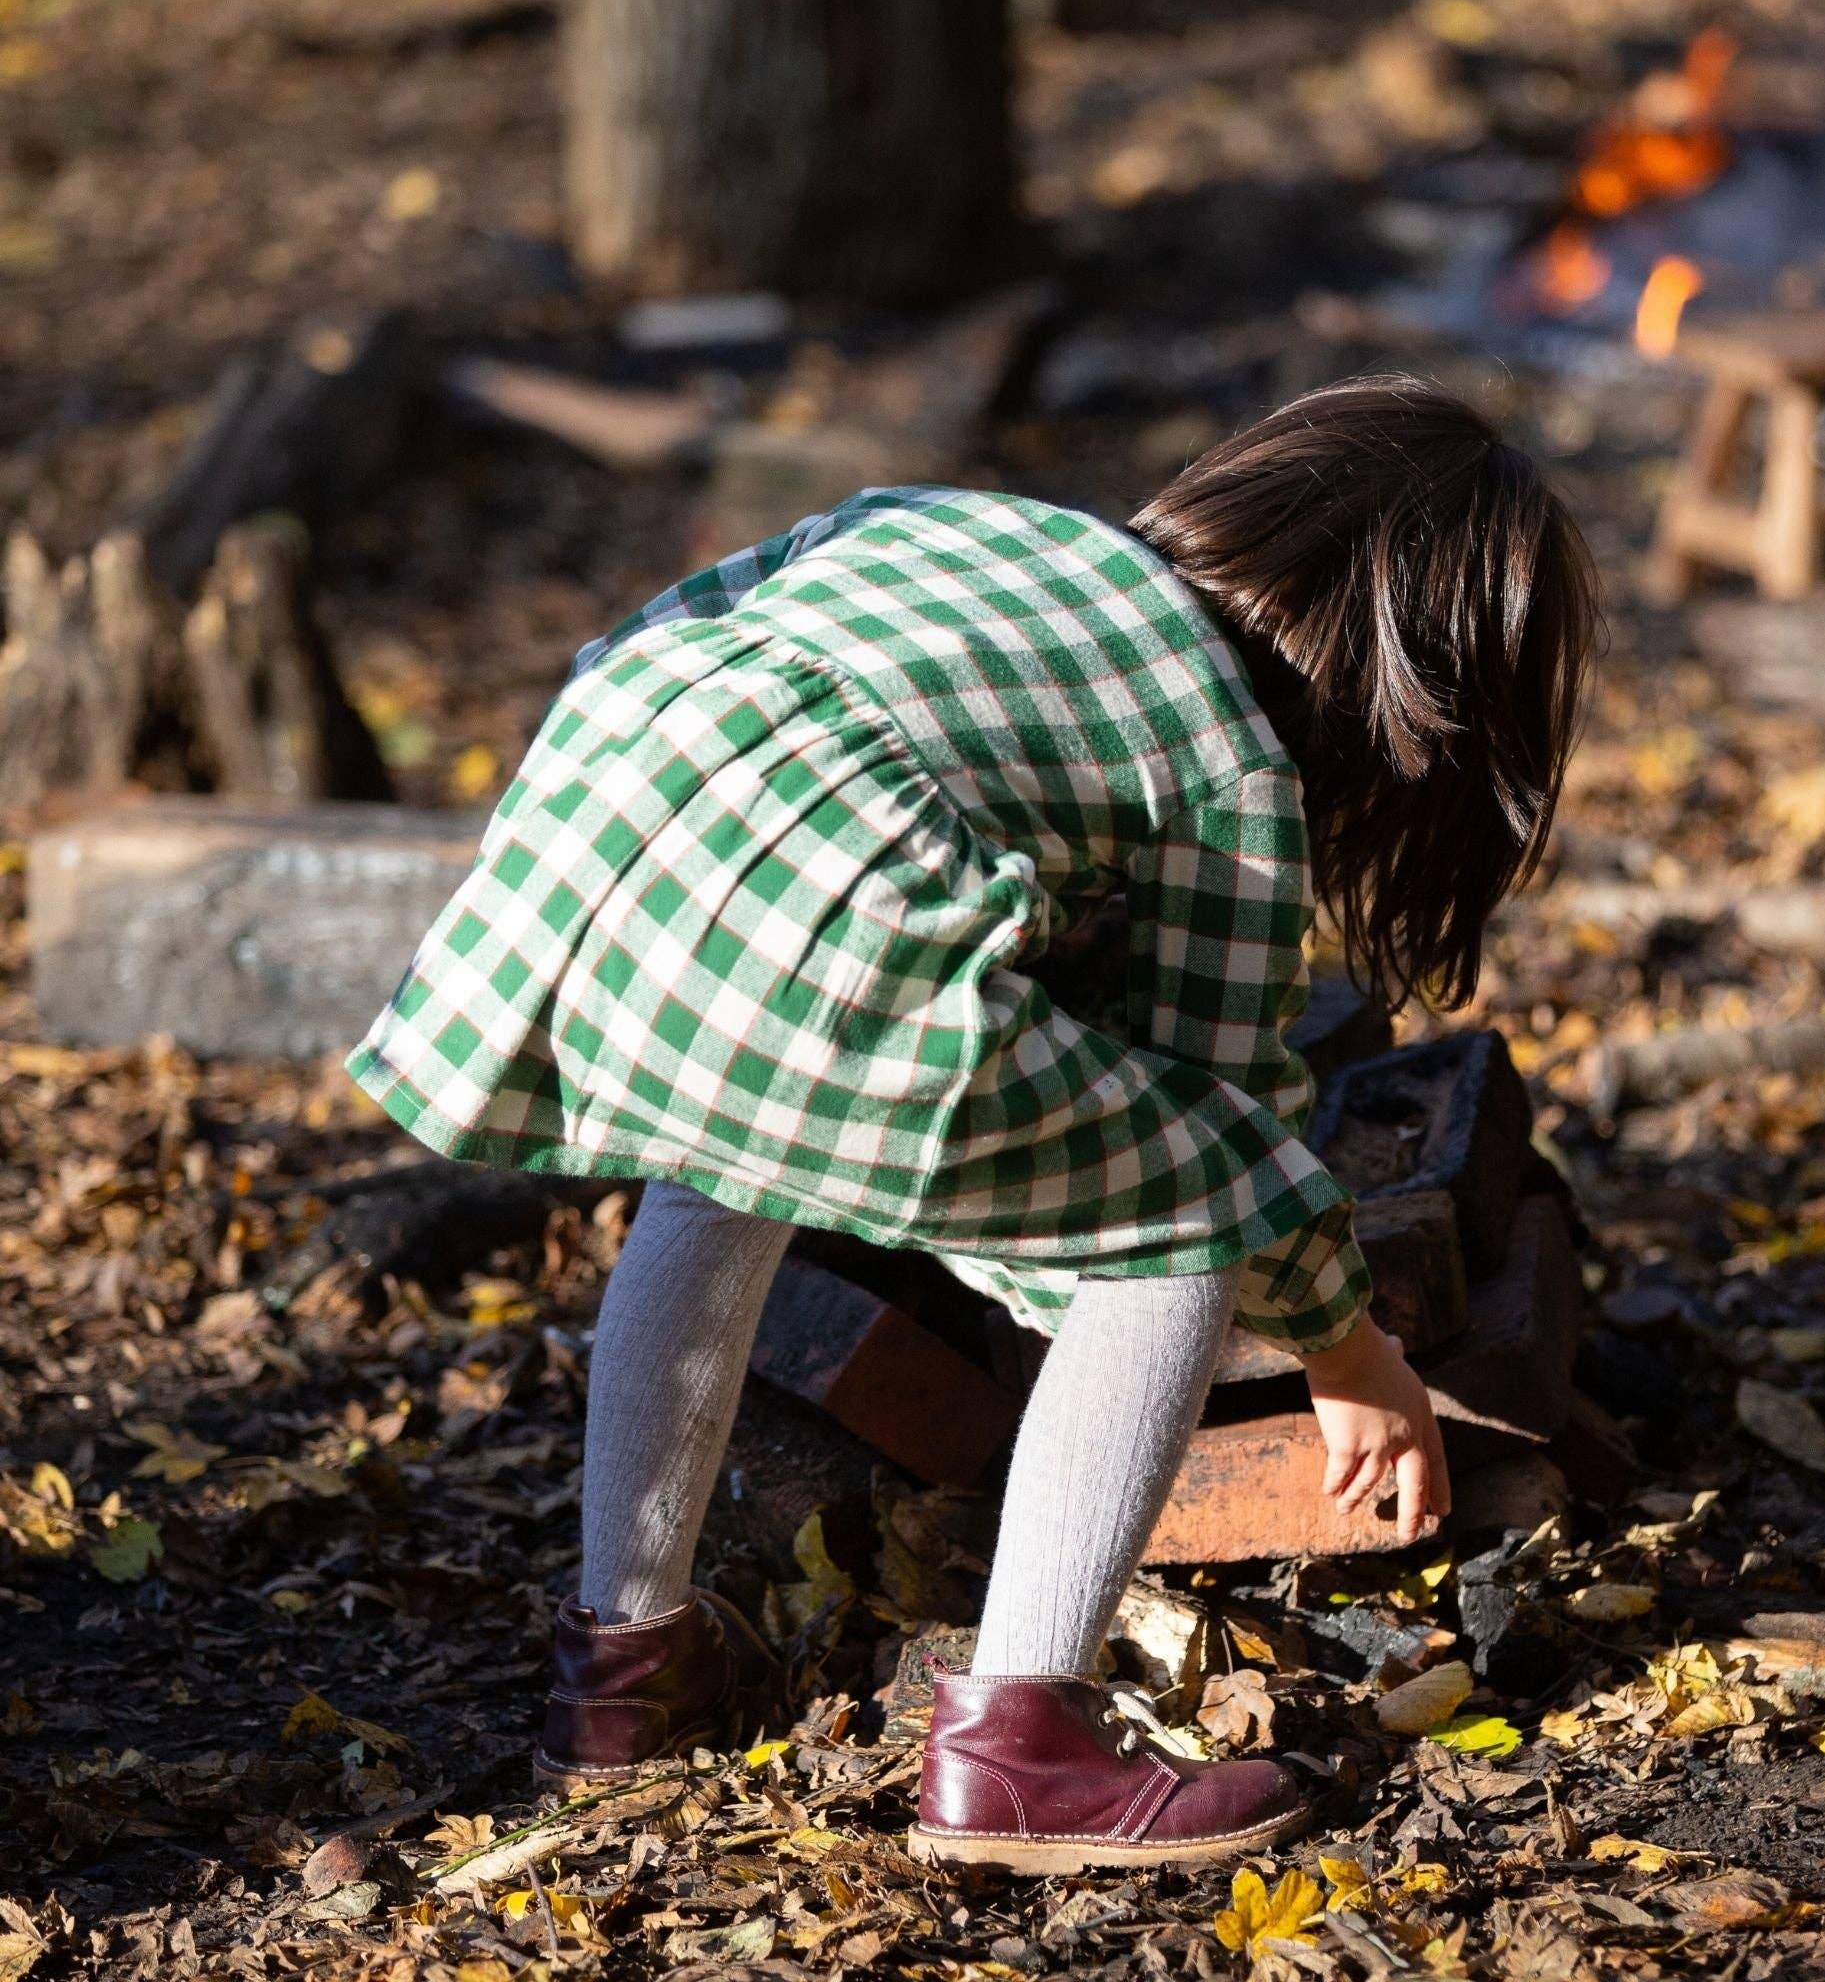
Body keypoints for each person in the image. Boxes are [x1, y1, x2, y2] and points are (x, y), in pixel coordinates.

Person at [345, 373, 1601, 1876]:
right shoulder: (1224, 758)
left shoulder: (964, 524)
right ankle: (1024, 1745)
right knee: (1182, 1223)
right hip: (829, 909)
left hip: (609, 814)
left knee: (717, 1173)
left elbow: (740, 606)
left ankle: (622, 1676)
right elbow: (1219, 1124)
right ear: (1422, 682)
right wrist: (1350, 1346)